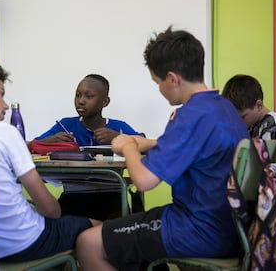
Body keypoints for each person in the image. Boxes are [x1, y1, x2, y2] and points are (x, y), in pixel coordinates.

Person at [75, 26, 250, 270]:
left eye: (157, 82)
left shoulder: (189, 115)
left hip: (197, 228)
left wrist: (128, 146)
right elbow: (203, 146)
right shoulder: (221, 108)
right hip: (231, 228)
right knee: (121, 229)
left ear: (173, 79)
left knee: (87, 243)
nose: (159, 89)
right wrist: (150, 143)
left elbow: (145, 180)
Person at [0, 56, 100, 263]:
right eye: (1, 94)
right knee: (100, 229)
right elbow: (50, 210)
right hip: (24, 243)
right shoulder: (2, 132)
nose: (5, 105)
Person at [33, 74, 140, 220]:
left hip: (111, 198)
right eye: (78, 95)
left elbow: (144, 145)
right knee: (56, 227)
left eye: (89, 96)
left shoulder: (119, 127)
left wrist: (118, 137)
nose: (81, 101)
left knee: (113, 231)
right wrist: (50, 140)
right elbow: (32, 146)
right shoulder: (65, 125)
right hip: (73, 196)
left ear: (105, 102)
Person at [221, 74, 276, 143]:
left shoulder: (274, 126)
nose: (238, 123)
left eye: (242, 117)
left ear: (258, 105)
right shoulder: (254, 124)